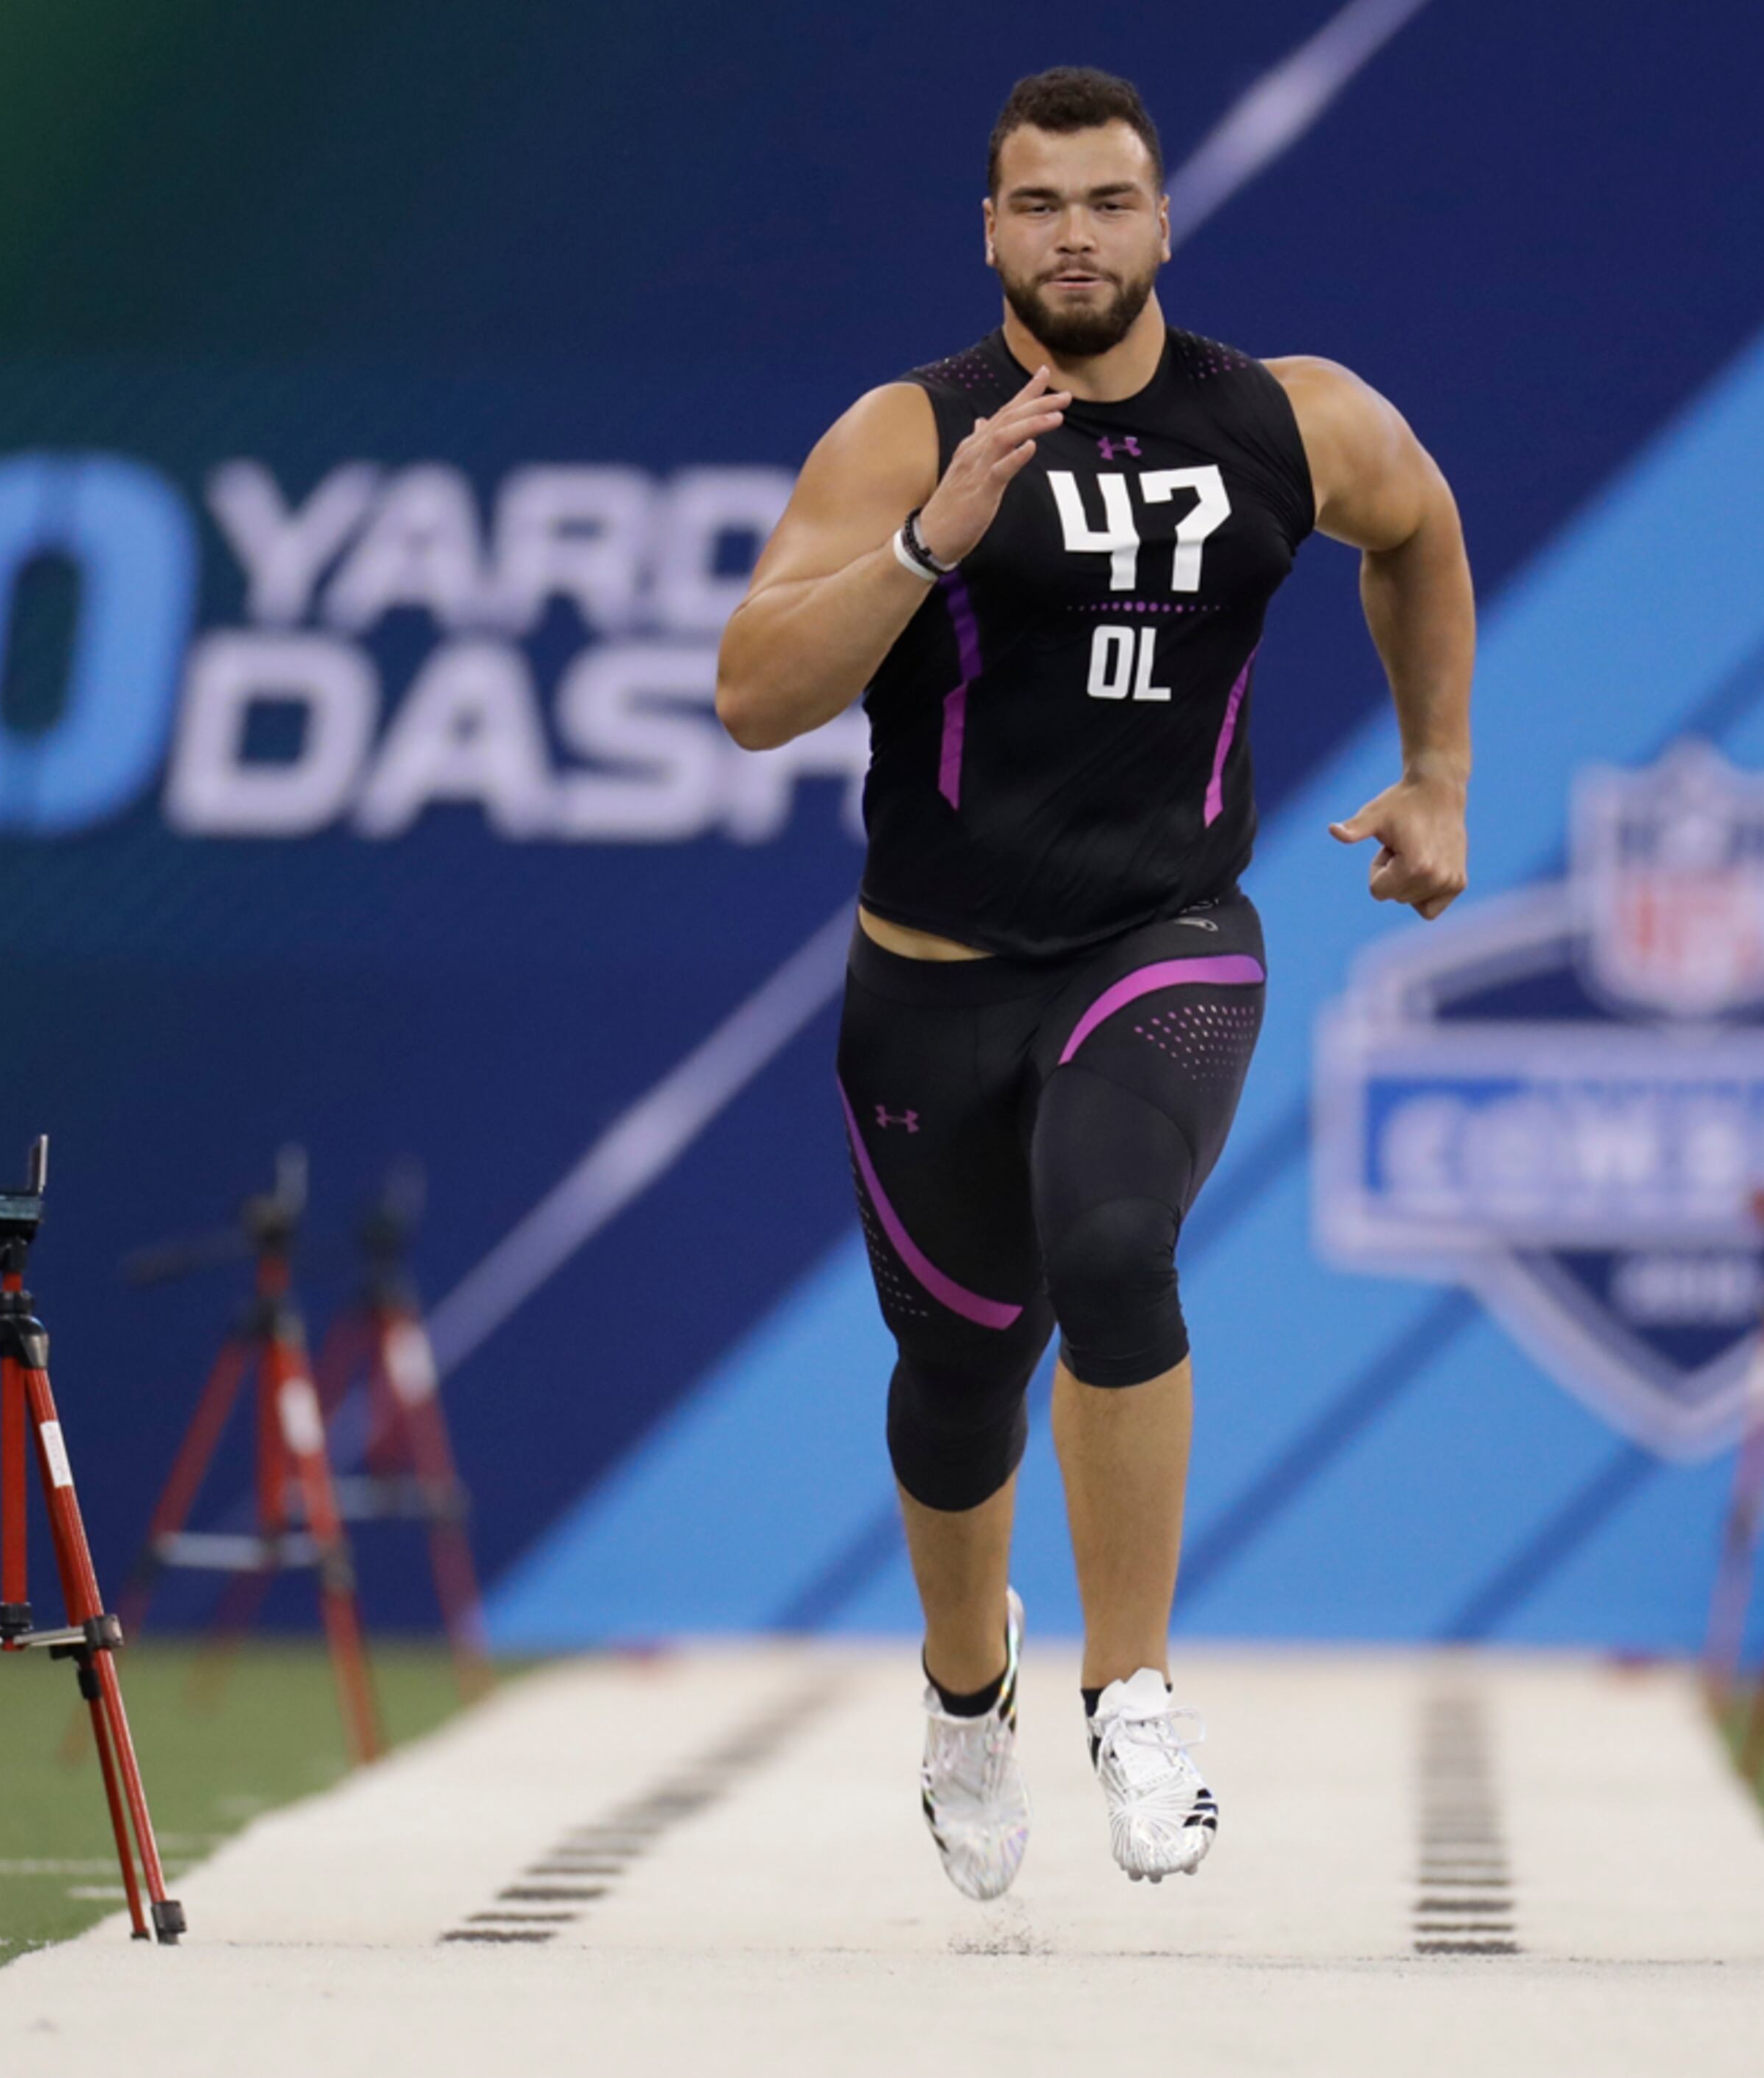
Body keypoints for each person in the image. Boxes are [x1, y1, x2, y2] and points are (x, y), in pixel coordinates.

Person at [715, 66, 1473, 1897]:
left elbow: (1420, 525)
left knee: (1118, 1238)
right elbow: (752, 698)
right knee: (957, 1373)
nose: (1076, 235)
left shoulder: (1287, 416)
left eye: (1109, 201)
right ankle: (967, 1696)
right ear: (989, 232)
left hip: (1166, 937)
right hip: (936, 977)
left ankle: (1132, 1685)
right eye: (1039, 205)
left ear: (1161, 220)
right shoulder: (911, 432)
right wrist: (925, 545)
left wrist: (1440, 769)